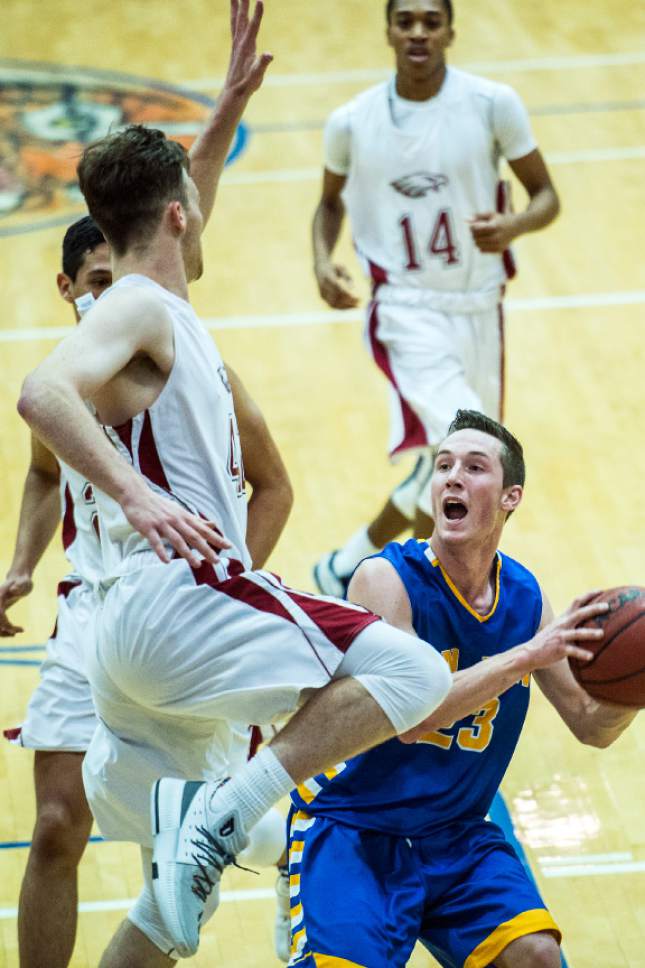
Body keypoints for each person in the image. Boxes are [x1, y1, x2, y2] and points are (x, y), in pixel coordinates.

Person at [15, 1, 460, 959]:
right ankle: (232, 810)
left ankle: (210, 830)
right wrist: (138, 496)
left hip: (129, 647)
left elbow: (182, 205)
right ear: (178, 215)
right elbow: (41, 394)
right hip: (167, 598)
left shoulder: (155, 297)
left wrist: (217, 112)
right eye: (193, 199)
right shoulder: (138, 306)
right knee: (410, 668)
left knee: (176, 912)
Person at [4, 5, 295, 962]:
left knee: (177, 844)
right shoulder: (83, 362)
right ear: (69, 291)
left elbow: (181, 215)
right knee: (57, 828)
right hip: (94, 604)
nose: (104, 295)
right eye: (87, 284)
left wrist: (219, 115)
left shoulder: (164, 331)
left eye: (110, 275)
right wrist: (18, 566)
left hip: (172, 598)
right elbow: (44, 472)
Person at [287, 410, 638, 968]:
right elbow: (409, 719)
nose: (452, 477)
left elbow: (590, 723)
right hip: (356, 829)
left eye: (475, 468)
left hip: (456, 837)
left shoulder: (523, 597)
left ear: (509, 498)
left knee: (538, 958)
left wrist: (632, 690)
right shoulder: (384, 580)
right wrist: (527, 654)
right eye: (443, 464)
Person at [312, 0, 561, 598]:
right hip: (406, 308)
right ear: (389, 31)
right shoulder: (352, 121)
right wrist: (323, 261)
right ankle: (446, 591)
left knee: (442, 464)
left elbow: (547, 195)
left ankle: (348, 565)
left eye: (431, 20)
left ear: (451, 30)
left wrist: (515, 226)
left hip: (480, 308)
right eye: (406, 20)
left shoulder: (492, 103)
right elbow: (329, 203)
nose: (418, 31)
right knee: (476, 455)